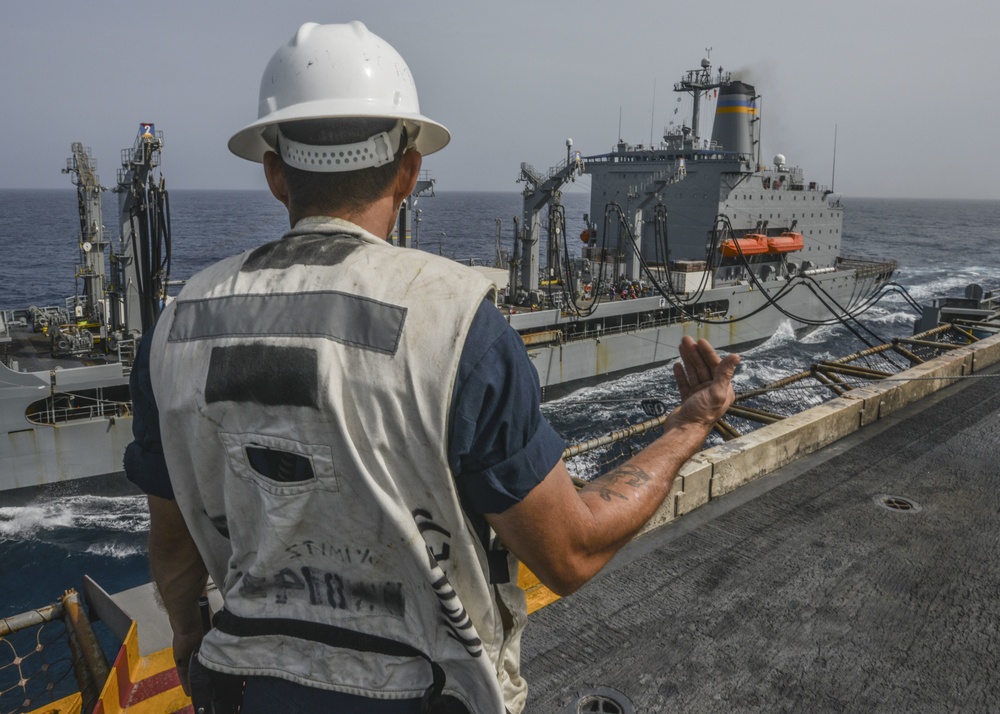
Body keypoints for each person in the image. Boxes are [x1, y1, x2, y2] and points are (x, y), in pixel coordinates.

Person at [124, 21, 739, 714]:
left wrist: (188, 639)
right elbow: (571, 553)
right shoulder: (459, 326)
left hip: (246, 691)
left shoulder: (171, 333)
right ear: (409, 170)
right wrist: (692, 422)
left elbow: (174, 554)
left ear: (274, 172)